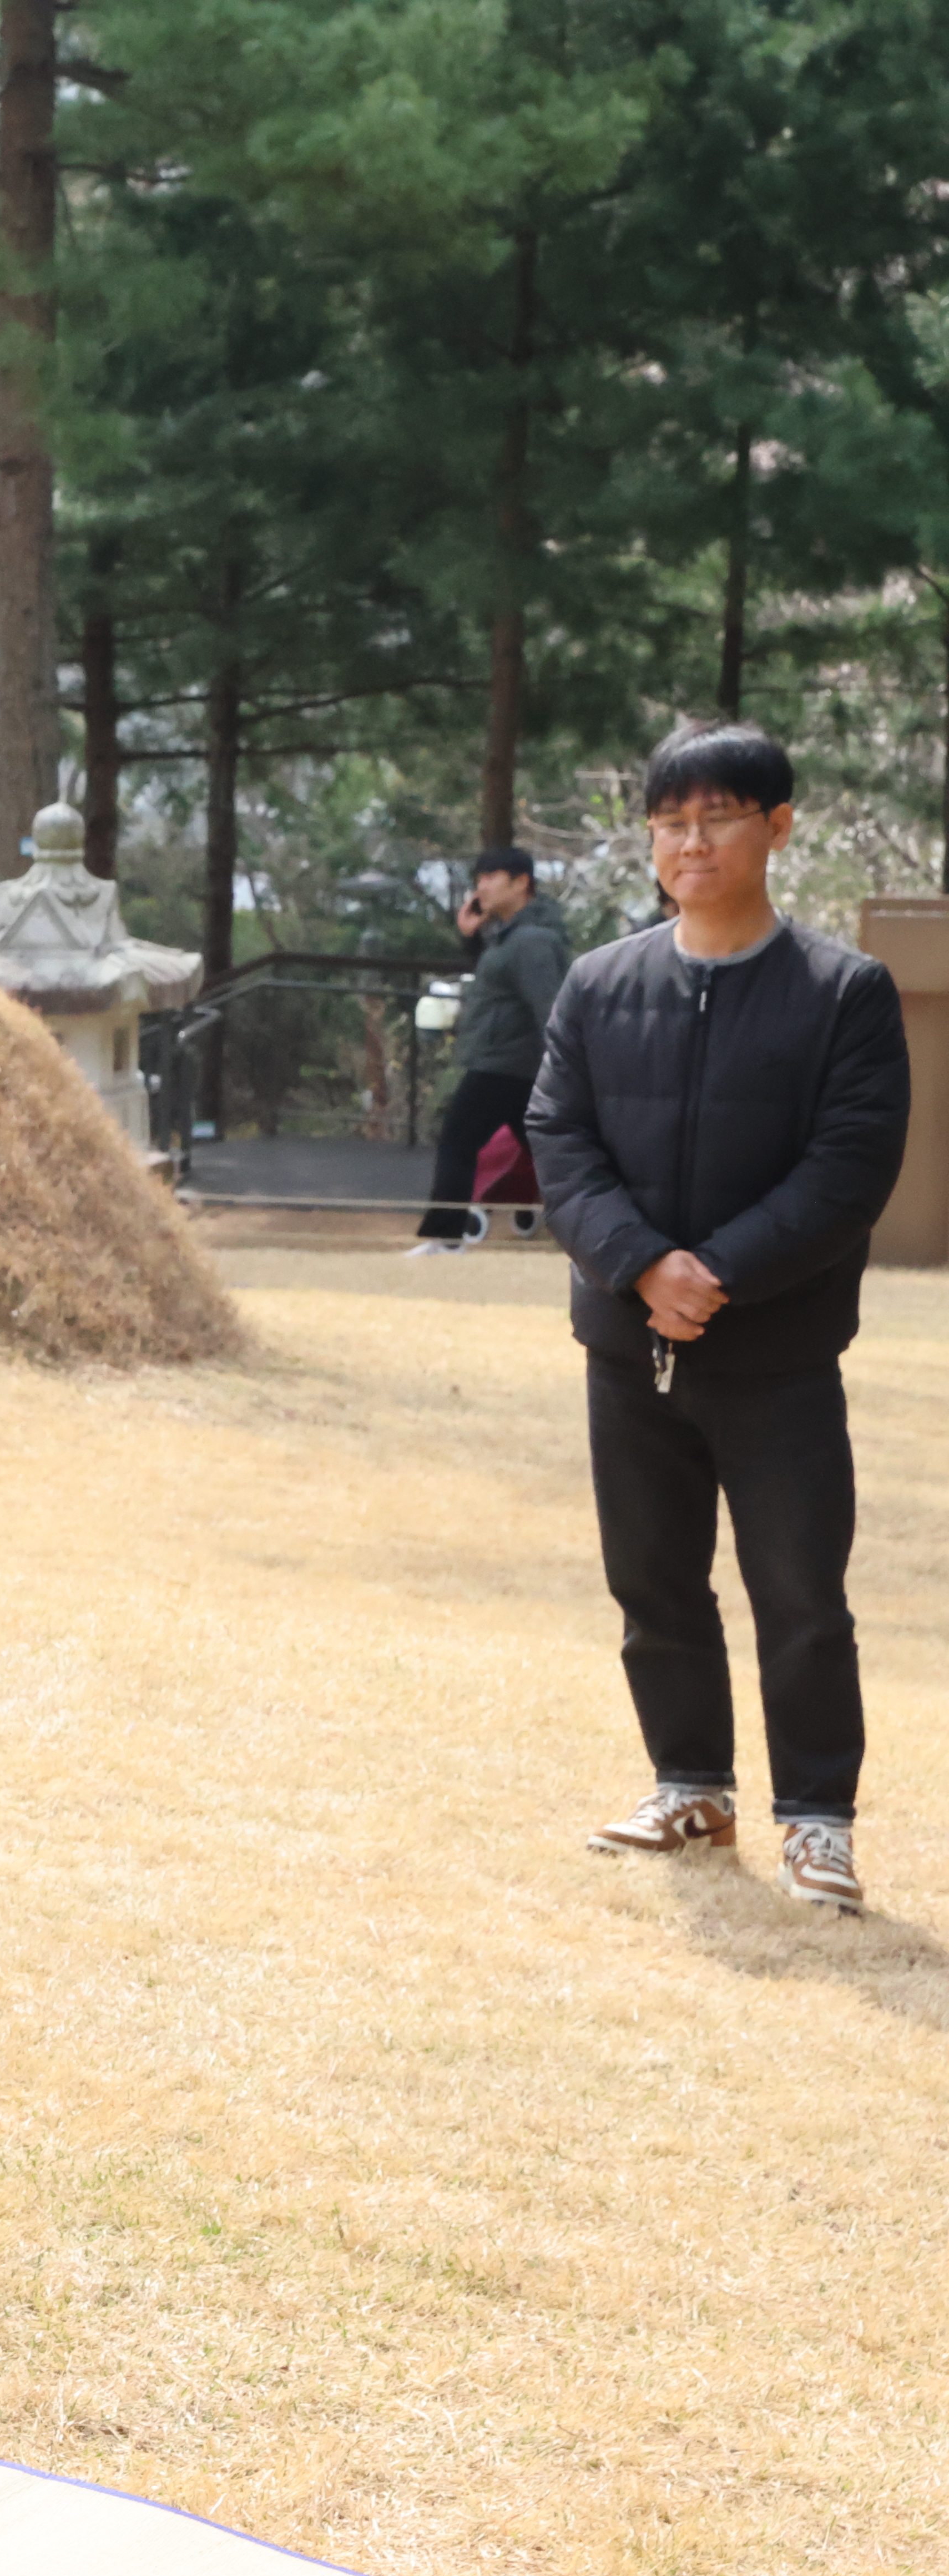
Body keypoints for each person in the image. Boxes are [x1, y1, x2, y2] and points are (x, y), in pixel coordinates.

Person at [528, 721, 907, 1915]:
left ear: (776, 828)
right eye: (669, 822)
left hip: (778, 1354)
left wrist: (718, 1272)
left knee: (799, 1593)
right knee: (651, 1581)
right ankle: (688, 1783)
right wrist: (642, 1266)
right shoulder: (599, 984)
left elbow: (849, 1168)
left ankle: (816, 1820)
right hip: (623, 1344)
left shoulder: (843, 991)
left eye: (719, 817)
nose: (690, 842)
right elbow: (559, 1137)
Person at [411, 845, 569, 1254]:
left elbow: (550, 1008)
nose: (480, 887)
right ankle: (595, 1227)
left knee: (458, 1140)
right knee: (555, 1153)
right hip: (512, 1065)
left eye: (489, 878)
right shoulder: (511, 936)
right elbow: (496, 982)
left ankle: (446, 1239)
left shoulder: (532, 940)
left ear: (521, 883)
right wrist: (473, 936)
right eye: (478, 879)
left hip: (508, 1065)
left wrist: (565, 1068)